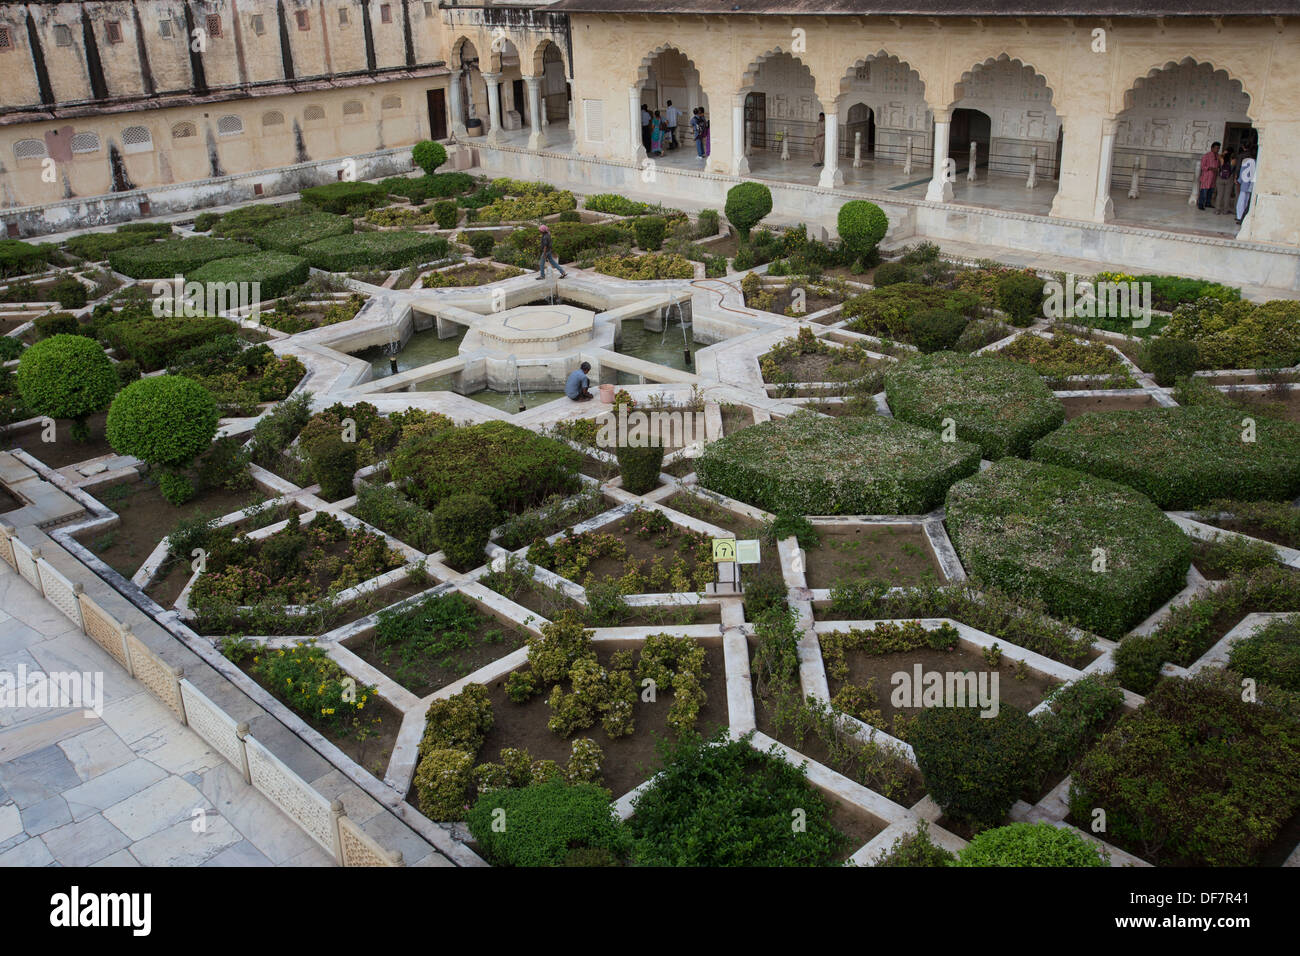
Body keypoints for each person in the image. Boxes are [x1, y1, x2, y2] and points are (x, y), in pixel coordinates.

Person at [1197, 141, 1221, 210]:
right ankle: (1200, 204)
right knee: (1204, 191)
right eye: (1216, 148)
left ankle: (1208, 203)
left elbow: (1218, 166)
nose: (1217, 150)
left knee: (1210, 191)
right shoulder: (1206, 156)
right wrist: (1210, 168)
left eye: (1218, 148)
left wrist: (1217, 169)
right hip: (1206, 177)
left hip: (1213, 177)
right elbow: (1202, 167)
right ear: (1212, 148)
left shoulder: (1217, 156)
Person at [1214, 148, 1237, 215]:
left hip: (1220, 178)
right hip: (1229, 178)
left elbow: (1219, 156)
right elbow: (1233, 169)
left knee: (1219, 195)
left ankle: (1217, 210)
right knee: (1227, 195)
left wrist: (1223, 153)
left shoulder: (1221, 159)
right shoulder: (1234, 160)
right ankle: (1225, 210)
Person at [1236, 149, 1256, 225]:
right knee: (1247, 201)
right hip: (1251, 184)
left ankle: (1239, 216)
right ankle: (1244, 216)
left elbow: (1242, 172)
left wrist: (1239, 181)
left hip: (1244, 183)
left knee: (1241, 200)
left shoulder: (1245, 161)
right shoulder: (1257, 161)